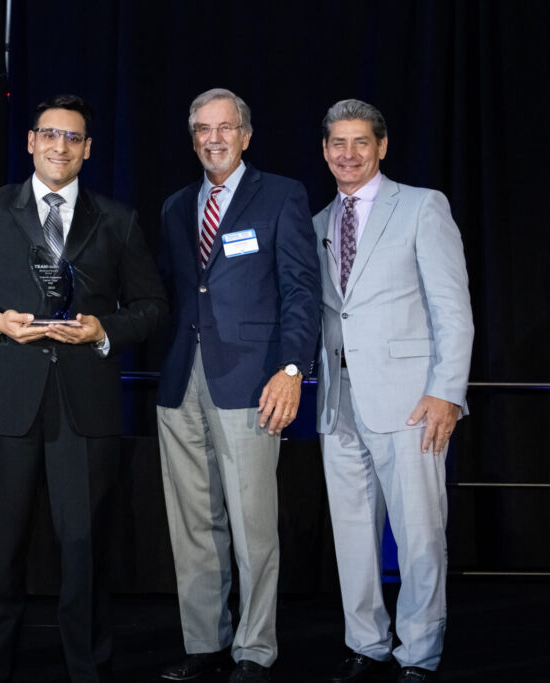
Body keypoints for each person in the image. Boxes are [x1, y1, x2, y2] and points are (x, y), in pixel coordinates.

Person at [0, 94, 166, 682]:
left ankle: (88, 671)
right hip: (5, 403)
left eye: (73, 138)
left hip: (85, 410)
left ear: (87, 151)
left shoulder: (119, 219)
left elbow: (153, 307)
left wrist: (102, 329)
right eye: (50, 134)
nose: (60, 146)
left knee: (84, 556)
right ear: (31, 141)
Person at [155, 88, 322, 683]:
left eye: (226, 127)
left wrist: (292, 368)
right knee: (193, 525)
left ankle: (254, 651)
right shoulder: (177, 206)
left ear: (246, 136)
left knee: (253, 527)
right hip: (180, 381)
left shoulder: (281, 195)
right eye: (203, 127)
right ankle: (205, 646)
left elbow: (303, 292)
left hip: (254, 383)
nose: (214, 137)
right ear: (193, 136)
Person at [313, 99, 474, 683]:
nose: (348, 154)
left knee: (419, 535)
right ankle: (366, 644)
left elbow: (453, 308)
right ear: (325, 151)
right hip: (338, 403)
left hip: (412, 403)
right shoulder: (317, 224)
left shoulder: (423, 206)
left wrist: (447, 392)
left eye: (360, 142)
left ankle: (419, 654)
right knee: (352, 535)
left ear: (381, 147)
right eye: (337, 143)